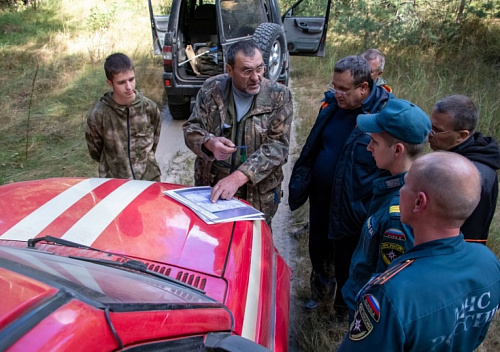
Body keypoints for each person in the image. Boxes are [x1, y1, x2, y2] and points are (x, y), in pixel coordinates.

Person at [338, 152, 500, 351]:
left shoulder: (391, 293)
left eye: (405, 185)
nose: (400, 191)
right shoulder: (489, 263)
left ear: (418, 203)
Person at [288, 55, 394, 311]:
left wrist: (368, 207)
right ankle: (320, 292)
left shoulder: (384, 116)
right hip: (322, 199)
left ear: (364, 88)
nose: (337, 93)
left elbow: (391, 168)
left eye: (344, 89)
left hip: (353, 206)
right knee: (318, 249)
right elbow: (315, 147)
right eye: (335, 86)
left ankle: (342, 308)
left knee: (348, 260)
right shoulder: (331, 106)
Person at [183, 41, 293, 224]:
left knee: (252, 246)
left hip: (257, 195)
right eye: (247, 71)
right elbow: (191, 129)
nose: (256, 77)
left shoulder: (279, 95)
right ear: (229, 69)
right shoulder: (211, 89)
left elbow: (278, 147)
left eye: (260, 68)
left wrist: (238, 177)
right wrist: (209, 143)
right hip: (214, 191)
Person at [341, 98, 431, 320]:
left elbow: (386, 287)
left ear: (398, 150)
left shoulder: (399, 214)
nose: (369, 147)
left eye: (374, 142)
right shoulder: (396, 184)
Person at [429, 95, 500, 244]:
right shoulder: (454, 157)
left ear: (462, 135)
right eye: (430, 125)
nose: (429, 134)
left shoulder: (470, 176)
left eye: (437, 130)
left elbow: (469, 235)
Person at [86, 53, 162, 181]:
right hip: (115, 182)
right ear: (110, 83)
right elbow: (95, 151)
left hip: (149, 178)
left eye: (131, 79)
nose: (128, 87)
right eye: (121, 82)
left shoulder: (150, 108)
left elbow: (154, 141)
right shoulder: (99, 115)